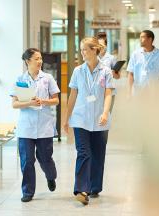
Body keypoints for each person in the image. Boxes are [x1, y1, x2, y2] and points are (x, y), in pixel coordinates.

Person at [64, 37, 114, 205]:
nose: (82, 52)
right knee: (83, 153)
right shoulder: (78, 71)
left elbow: (108, 94)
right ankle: (81, 189)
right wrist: (66, 118)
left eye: (85, 49)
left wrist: (105, 113)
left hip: (100, 119)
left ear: (94, 50)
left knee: (98, 155)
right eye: (81, 49)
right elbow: (73, 95)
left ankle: (94, 187)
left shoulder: (106, 71)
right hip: (81, 119)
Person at [10, 48, 60, 202]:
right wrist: (29, 102)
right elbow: (15, 104)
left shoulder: (48, 78)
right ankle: (27, 192)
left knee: (45, 158)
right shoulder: (20, 80)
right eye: (36, 59)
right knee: (27, 160)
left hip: (44, 126)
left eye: (40, 59)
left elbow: (56, 100)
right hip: (26, 127)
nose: (40, 61)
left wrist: (43, 101)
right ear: (28, 61)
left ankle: (51, 176)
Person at [127, 30, 159, 96]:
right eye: (140, 37)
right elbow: (131, 74)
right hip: (138, 92)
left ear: (150, 39)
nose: (140, 39)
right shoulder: (135, 54)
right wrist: (129, 92)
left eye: (142, 37)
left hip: (156, 92)